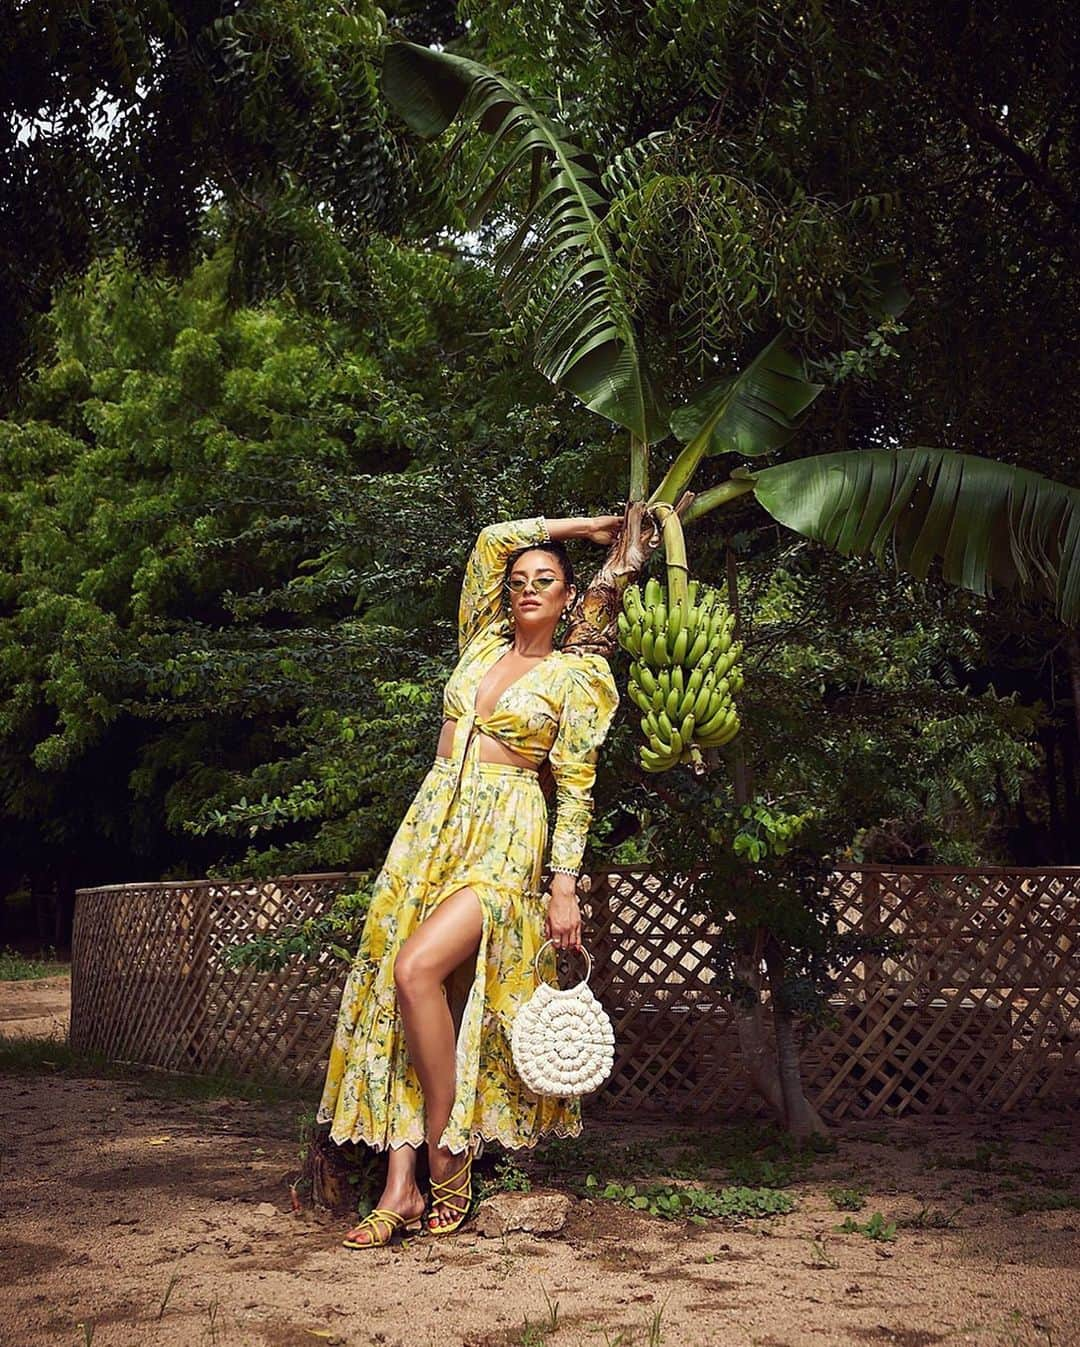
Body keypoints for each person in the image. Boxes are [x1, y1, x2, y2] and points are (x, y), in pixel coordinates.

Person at [316, 513, 623, 1248]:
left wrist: (564, 882)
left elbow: (575, 785)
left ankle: (449, 1157)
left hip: (505, 832)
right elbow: (490, 539)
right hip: (430, 826)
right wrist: (583, 526)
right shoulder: (482, 641)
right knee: (411, 1001)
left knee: (416, 967)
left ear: (569, 597)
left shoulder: (578, 675)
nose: (526, 588)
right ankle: (401, 1185)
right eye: (520, 582)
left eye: (544, 581)